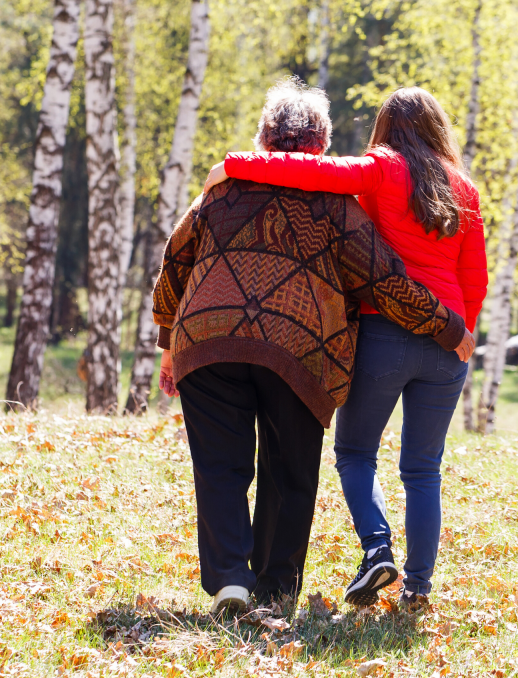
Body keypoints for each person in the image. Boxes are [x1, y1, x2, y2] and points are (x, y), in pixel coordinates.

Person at [152, 78, 475, 615]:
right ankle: (277, 591)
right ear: (322, 145)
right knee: (290, 468)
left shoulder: (221, 189)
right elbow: (382, 281)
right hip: (298, 348)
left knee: (220, 465)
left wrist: (168, 343)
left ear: (262, 139)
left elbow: (174, 262)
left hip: (207, 341)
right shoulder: (335, 203)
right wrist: (446, 327)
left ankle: (232, 578)